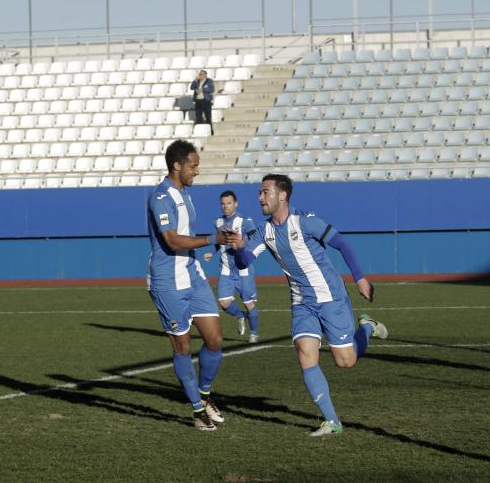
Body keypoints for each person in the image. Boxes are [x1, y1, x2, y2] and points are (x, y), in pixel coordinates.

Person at [227, 174, 388, 436]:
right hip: (301, 302)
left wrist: (359, 277)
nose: (260, 197)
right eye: (259, 192)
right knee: (305, 351)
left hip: (329, 297)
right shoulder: (262, 230)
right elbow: (244, 262)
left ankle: (367, 326)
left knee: (345, 361)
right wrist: (237, 247)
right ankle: (332, 422)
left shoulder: (305, 222)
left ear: (282, 196)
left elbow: (342, 244)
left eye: (265, 192)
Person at [147, 139, 230, 431]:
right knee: (182, 346)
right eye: (193, 166)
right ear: (177, 165)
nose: (197, 171)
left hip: (192, 274)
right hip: (168, 282)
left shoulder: (186, 194)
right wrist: (211, 239)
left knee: (215, 339)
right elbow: (170, 240)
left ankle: (204, 396)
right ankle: (197, 410)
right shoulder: (160, 197)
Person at [203, 190, 261, 343]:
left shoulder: (245, 221)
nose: (225, 206)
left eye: (228, 203)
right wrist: (211, 252)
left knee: (249, 303)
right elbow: (218, 241)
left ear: (236, 204)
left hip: (243, 270)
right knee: (224, 303)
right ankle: (240, 316)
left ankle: (254, 333)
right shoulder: (218, 222)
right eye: (223, 204)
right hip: (226, 270)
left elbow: (256, 238)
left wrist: (243, 243)